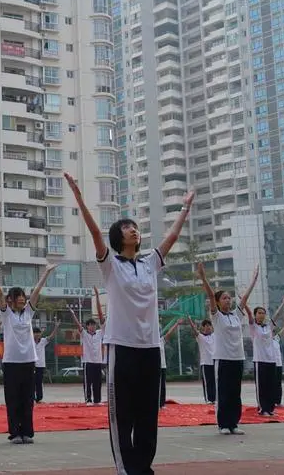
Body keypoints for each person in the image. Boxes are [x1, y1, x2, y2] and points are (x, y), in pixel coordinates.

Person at [65, 171, 193, 474]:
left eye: (135, 227)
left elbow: (172, 238)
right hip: (121, 346)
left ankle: (143, 466)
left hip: (150, 347)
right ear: (117, 237)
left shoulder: (150, 262)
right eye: (126, 227)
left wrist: (185, 207)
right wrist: (79, 199)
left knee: (148, 412)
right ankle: (125, 468)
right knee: (123, 412)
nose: (133, 230)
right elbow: (94, 233)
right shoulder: (110, 264)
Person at [0, 259, 56, 445]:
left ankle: (27, 432)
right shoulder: (6, 314)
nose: (22, 298)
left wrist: (46, 272)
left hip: (29, 361)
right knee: (13, 399)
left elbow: (36, 292)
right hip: (11, 363)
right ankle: (15, 433)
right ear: (11, 300)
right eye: (18, 296)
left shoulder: (29, 312)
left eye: (23, 295)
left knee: (27, 399)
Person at [198, 262, 259, 435]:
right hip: (223, 358)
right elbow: (210, 295)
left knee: (235, 392)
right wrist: (203, 278)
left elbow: (245, 298)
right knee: (223, 392)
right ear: (218, 302)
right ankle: (223, 424)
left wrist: (254, 280)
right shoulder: (216, 317)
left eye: (229, 298)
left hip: (237, 358)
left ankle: (234, 423)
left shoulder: (236, 315)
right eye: (224, 298)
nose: (228, 300)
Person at [68, 287, 105, 405]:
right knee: (88, 382)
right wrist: (73, 314)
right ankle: (88, 399)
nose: (92, 326)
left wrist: (97, 296)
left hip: (98, 362)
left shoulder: (100, 333)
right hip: (88, 362)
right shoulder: (84, 334)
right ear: (87, 326)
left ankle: (97, 400)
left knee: (98, 382)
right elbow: (78, 325)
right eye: (90, 325)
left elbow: (101, 317)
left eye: (94, 325)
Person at [186, 316, 215, 404]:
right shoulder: (201, 337)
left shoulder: (214, 336)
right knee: (207, 382)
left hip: (214, 362)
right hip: (205, 363)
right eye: (206, 325)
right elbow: (195, 330)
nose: (208, 327)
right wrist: (190, 320)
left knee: (214, 382)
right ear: (203, 327)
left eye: (209, 325)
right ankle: (208, 399)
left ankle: (215, 398)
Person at [33, 319, 60, 404]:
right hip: (32, 365)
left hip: (40, 365)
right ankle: (31, 398)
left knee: (39, 382)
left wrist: (56, 327)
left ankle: (39, 398)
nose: (37, 334)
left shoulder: (43, 341)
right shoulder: (30, 342)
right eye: (35, 333)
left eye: (38, 333)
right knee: (31, 382)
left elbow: (51, 336)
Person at [159, 319, 184, 409]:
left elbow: (169, 333)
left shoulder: (161, 340)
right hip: (154, 367)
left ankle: (162, 404)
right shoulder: (150, 342)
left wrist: (176, 324)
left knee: (162, 386)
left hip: (163, 366)